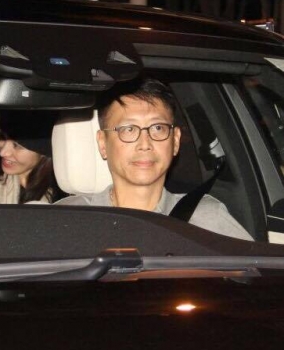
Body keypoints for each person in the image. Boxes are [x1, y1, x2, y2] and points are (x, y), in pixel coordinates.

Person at [55, 78, 253, 241]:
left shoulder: (205, 218)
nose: (145, 144)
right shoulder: (66, 220)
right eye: (128, 129)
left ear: (175, 141)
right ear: (102, 143)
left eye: (158, 128)